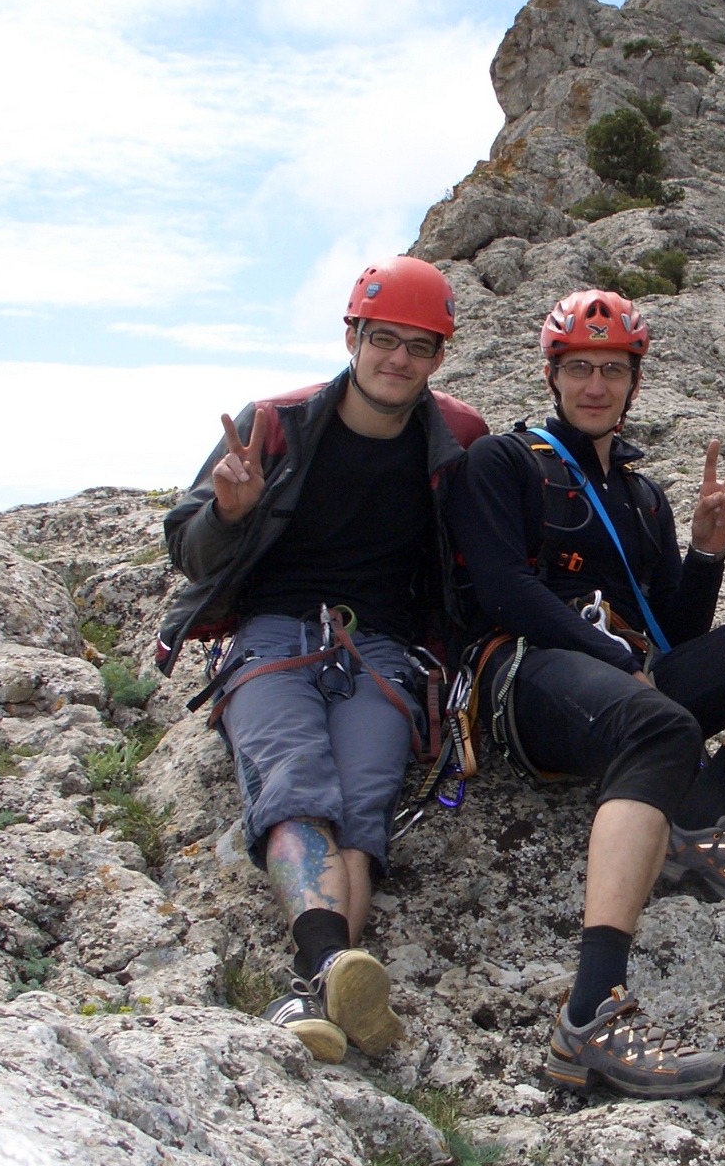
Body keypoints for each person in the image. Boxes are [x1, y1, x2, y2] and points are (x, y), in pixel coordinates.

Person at [449, 288, 725, 1100]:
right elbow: (503, 589)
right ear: (553, 375)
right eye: (579, 369)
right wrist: (606, 655)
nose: (596, 386)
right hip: (527, 676)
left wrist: (706, 551)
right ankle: (589, 1020)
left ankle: (698, 810)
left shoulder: (644, 495)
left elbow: (676, 630)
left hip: (631, 683)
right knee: (658, 721)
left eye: (612, 369)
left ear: (634, 381)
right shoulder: (505, 464)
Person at [157, 255, 488, 1065]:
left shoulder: (460, 437)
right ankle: (326, 972)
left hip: (383, 650)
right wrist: (230, 515)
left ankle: (315, 995)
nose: (398, 360)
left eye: (419, 345)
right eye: (384, 339)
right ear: (352, 336)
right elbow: (191, 553)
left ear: (440, 357)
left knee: (364, 805)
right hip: (273, 634)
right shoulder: (275, 424)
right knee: (295, 785)